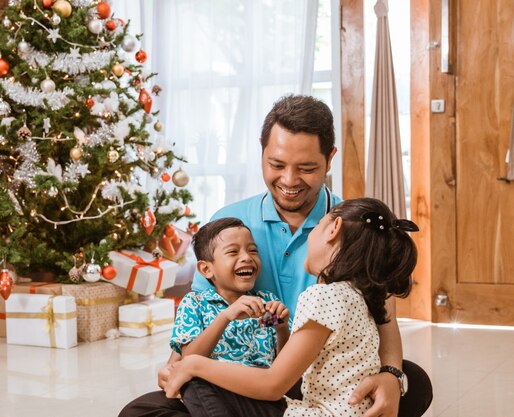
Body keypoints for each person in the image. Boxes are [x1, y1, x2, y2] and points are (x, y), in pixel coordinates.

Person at [118, 95, 432, 417]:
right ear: (262, 152)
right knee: (140, 412)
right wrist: (178, 365)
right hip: (247, 373)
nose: (289, 181)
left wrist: (392, 376)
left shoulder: (355, 234)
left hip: (317, 376)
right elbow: (202, 309)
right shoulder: (229, 223)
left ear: (330, 158)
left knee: (415, 380)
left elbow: (385, 321)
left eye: (307, 168)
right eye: (277, 165)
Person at [164, 198, 420, 417]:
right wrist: (186, 361)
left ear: (334, 229)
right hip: (339, 404)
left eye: (318, 226)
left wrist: (193, 365)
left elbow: (273, 383)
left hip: (316, 408)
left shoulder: (323, 296)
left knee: (198, 386)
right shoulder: (359, 293)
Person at [171, 217, 290, 372]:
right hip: (211, 387)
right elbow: (188, 360)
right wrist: (225, 317)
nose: (247, 257)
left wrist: (282, 329)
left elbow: (284, 367)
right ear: (206, 269)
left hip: (259, 387)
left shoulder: (267, 301)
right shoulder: (195, 304)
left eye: (252, 250)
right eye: (233, 252)